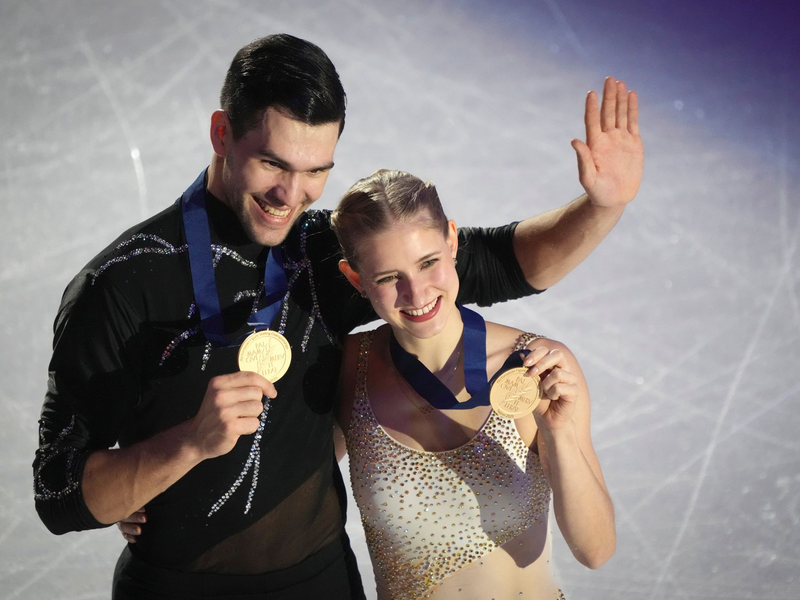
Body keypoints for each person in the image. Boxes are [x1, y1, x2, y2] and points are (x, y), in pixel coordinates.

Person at [33, 33, 641, 600]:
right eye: (273, 163)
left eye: (316, 171)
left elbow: (499, 263)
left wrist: (602, 208)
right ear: (221, 133)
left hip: (323, 582)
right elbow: (58, 491)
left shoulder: (322, 253)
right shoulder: (121, 284)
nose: (290, 196)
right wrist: (183, 446)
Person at [330, 169, 615, 599]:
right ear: (356, 278)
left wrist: (558, 433)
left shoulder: (534, 367)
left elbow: (596, 550)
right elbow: (293, 499)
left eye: (428, 263)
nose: (416, 293)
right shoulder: (349, 371)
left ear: (452, 241)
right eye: (389, 278)